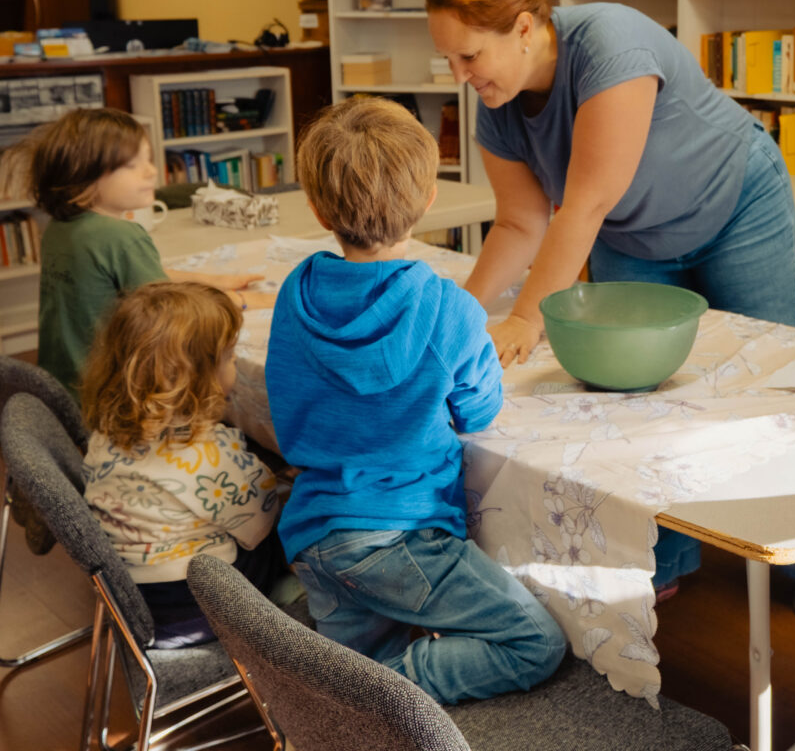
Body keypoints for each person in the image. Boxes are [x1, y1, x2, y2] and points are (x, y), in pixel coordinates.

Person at [425, 0, 795, 598]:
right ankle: (669, 564)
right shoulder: (499, 106)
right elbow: (519, 222)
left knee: (774, 394)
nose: (461, 74)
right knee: (639, 400)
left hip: (734, 203)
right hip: (630, 234)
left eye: (469, 55)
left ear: (521, 27)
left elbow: (584, 205)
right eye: (450, 58)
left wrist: (521, 319)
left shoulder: (608, 44)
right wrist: (459, 314)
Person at [264, 96, 566, 705]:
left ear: (319, 208)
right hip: (399, 537)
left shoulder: (295, 291)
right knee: (536, 642)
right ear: (430, 200)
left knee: (361, 667)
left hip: (313, 536)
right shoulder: (450, 310)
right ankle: (376, 693)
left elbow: (287, 398)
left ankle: (352, 692)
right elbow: (478, 412)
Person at [81, 280, 288, 648]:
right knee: (296, 528)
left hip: (133, 594)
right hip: (197, 606)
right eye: (228, 356)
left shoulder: (106, 428)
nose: (236, 361)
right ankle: (295, 604)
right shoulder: (203, 457)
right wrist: (279, 484)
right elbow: (260, 521)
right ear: (192, 378)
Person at [26, 106, 274, 396]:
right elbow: (171, 313)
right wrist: (245, 299)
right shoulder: (121, 236)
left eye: (148, 160)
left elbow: (130, 279)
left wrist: (214, 280)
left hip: (61, 391)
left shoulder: (59, 227)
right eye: (132, 165)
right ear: (85, 176)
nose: (151, 171)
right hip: (109, 395)